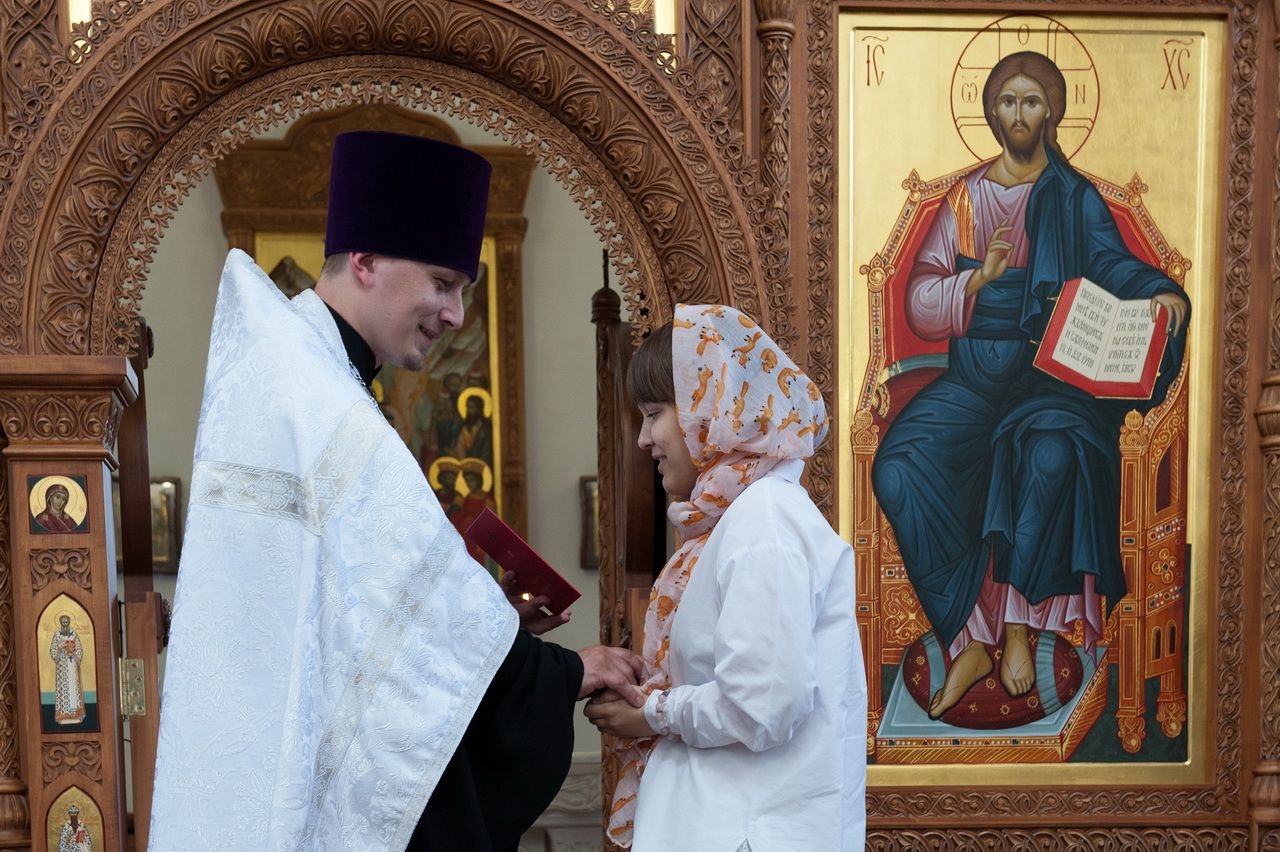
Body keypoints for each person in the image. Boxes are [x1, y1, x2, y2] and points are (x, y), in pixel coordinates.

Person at [151, 131, 643, 850]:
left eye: (464, 290)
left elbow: (353, 617)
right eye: (443, 283)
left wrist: (495, 627)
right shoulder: (319, 398)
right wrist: (565, 671)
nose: (456, 315)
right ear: (366, 261)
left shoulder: (307, 374)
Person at [870, 51, 1191, 719]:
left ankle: (1017, 628)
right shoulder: (964, 200)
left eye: (1032, 102)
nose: (1019, 114)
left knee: (1044, 451)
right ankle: (967, 637)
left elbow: (1113, 265)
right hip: (973, 379)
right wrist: (977, 281)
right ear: (991, 112)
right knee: (897, 467)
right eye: (1008, 102)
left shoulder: (1072, 198)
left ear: (1052, 113)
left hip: (1051, 378)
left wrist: (1161, 294)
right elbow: (920, 301)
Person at [586, 305, 867, 851]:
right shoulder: (736, 520)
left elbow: (764, 705)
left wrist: (652, 712)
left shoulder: (764, 519)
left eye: (653, 413)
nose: (643, 439)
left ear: (711, 409)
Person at [50, 614, 85, 725]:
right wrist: (60, 651)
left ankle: (76, 715)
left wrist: (73, 652)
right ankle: (63, 716)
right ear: (60, 623)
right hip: (62, 668)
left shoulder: (74, 634)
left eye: (66, 622)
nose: (65, 624)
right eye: (63, 622)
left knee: (73, 688)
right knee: (63, 689)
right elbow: (53, 650)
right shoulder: (57, 635)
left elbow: (79, 650)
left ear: (69, 623)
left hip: (73, 666)